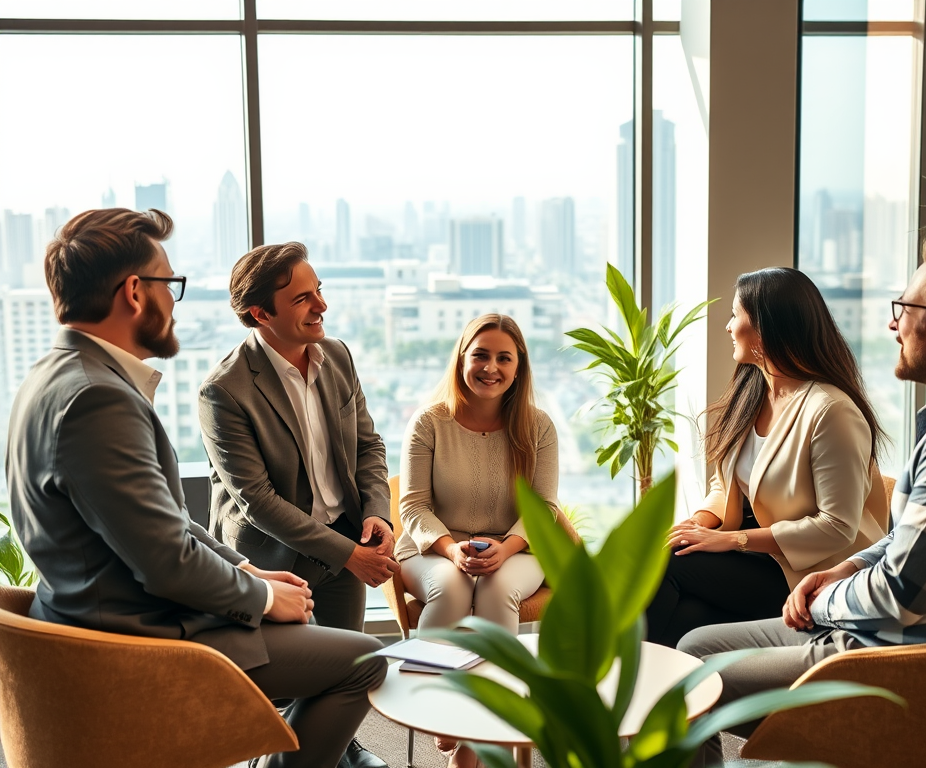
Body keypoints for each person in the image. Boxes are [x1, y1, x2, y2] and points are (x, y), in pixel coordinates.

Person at [6, 208, 387, 768]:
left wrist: (247, 572)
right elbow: (166, 563)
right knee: (366, 662)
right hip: (140, 639)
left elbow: (161, 523)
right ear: (135, 292)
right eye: (171, 285)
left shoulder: (54, 374)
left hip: (111, 617)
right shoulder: (99, 398)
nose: (174, 304)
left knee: (339, 650)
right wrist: (260, 596)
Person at [679, 231, 926, 766]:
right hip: (916, 631)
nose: (893, 324)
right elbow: (913, 542)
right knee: (694, 644)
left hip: (910, 659)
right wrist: (844, 570)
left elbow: (899, 597)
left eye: (903, 307)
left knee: (690, 674)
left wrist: (822, 601)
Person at [198, 241, 396, 768]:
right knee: (283, 695)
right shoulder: (224, 391)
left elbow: (367, 446)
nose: (322, 306)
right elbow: (257, 501)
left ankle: (345, 751)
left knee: (345, 679)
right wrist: (348, 554)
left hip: (347, 534)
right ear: (260, 314)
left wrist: (377, 512)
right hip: (275, 559)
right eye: (304, 299)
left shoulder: (337, 356)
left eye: (320, 290)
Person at [645, 267, 889, 648]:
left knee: (667, 564)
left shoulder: (831, 411)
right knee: (686, 616)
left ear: (764, 328)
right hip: (765, 562)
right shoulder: (754, 393)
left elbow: (837, 526)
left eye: (735, 315)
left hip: (812, 574)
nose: (727, 326)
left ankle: (618, 691)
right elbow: (724, 483)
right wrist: (699, 523)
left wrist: (733, 540)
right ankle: (656, 698)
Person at [397, 314, 558, 768]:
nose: (491, 367)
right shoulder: (429, 422)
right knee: (450, 585)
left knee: (496, 586)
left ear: (519, 367)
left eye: (504, 358)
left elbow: (543, 508)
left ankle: (476, 736)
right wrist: (450, 549)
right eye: (481, 355)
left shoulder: (539, 427)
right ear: (462, 359)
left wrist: (506, 548)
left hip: (517, 547)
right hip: (434, 547)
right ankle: (435, 704)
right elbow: (411, 507)